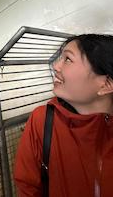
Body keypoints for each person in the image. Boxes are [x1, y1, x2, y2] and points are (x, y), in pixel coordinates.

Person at [14, 34, 113, 197]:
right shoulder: (42, 120)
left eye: (67, 59)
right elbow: (27, 188)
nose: (55, 66)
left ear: (106, 84)